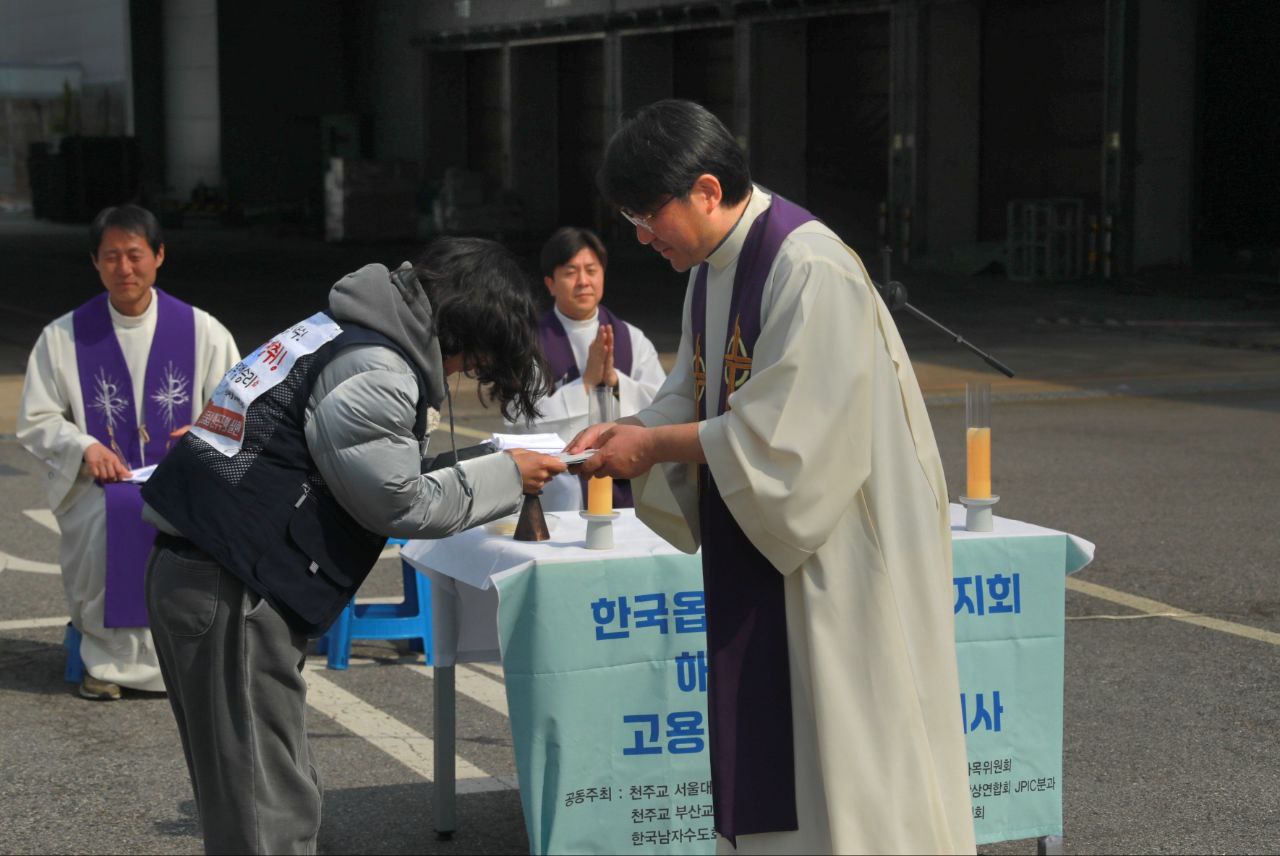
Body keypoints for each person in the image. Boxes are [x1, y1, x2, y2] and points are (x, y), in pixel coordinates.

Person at [570, 100, 975, 854]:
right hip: (774, 543)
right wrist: (634, 429)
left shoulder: (808, 265)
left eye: (646, 213)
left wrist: (655, 449)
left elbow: (790, 443)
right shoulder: (708, 271)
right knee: (791, 754)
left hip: (841, 558)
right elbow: (693, 390)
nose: (639, 235)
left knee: (852, 764)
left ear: (706, 190)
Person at [140, 237, 566, 854]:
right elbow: (396, 500)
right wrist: (509, 477)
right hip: (230, 585)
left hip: (208, 572)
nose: (463, 374)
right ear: (462, 329)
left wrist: (486, 463)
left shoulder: (338, 328)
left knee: (260, 792)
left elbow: (367, 463)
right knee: (267, 813)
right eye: (472, 359)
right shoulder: (377, 366)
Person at [16, 204, 239, 701]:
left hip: (183, 483)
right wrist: (84, 444)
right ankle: (107, 662)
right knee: (103, 524)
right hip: (102, 484)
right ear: (95, 262)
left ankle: (186, 660)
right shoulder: (64, 337)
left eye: (135, 255)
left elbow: (240, 407)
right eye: (111, 256)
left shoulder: (202, 331)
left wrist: (202, 436)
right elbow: (36, 419)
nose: (125, 269)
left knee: (190, 533)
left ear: (159, 256)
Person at [505, 226, 666, 510]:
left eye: (591, 270)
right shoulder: (529, 345)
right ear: (550, 283)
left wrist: (615, 382)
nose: (583, 281)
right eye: (570, 272)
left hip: (630, 485)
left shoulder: (632, 339)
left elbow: (664, 409)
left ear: (603, 274)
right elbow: (519, 426)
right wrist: (587, 384)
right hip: (562, 494)